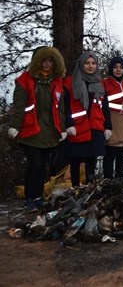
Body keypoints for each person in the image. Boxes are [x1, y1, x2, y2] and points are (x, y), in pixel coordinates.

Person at [9, 47, 66, 211]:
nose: (47, 64)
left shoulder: (56, 81)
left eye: (50, 61)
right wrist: (15, 126)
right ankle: (29, 198)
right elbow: (19, 106)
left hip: (49, 131)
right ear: (37, 61)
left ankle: (38, 197)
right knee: (34, 164)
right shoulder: (25, 80)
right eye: (44, 60)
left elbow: (60, 108)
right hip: (30, 131)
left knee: (43, 166)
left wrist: (61, 128)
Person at [63, 52, 112, 186]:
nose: (90, 66)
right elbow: (65, 106)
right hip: (77, 127)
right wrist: (69, 124)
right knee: (76, 158)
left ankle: (89, 185)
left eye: (93, 63)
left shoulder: (99, 83)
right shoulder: (69, 82)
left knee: (92, 157)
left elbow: (105, 106)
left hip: (95, 126)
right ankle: (75, 186)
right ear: (81, 64)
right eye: (87, 63)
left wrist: (108, 126)